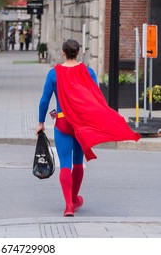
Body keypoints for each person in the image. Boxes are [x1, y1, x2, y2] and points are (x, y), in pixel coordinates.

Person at [35, 39, 140, 217]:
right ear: (78, 52)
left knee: (65, 165)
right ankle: (75, 199)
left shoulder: (54, 74)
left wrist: (41, 122)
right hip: (81, 125)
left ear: (63, 52)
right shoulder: (88, 72)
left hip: (62, 123)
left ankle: (69, 205)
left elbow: (44, 100)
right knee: (78, 163)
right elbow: (96, 98)